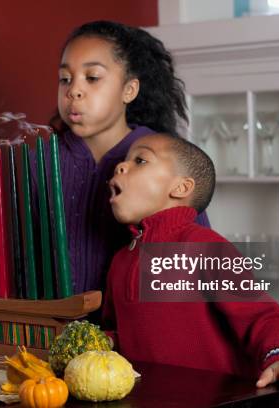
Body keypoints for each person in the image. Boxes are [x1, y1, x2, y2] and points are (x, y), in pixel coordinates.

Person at [102, 133, 279, 408]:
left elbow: (263, 316)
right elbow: (117, 334)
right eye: (122, 160)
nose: (120, 166)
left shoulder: (203, 246)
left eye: (140, 160)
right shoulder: (121, 260)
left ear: (181, 187)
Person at [31, 20, 209, 295]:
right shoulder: (38, 161)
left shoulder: (164, 160)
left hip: (137, 331)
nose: (73, 91)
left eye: (92, 77)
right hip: (49, 332)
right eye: (65, 78)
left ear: (129, 90)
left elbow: (198, 261)